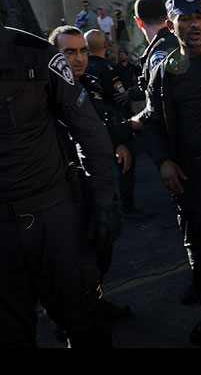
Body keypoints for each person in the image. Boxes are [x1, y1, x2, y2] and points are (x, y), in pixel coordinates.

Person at [0, 22, 118, 348]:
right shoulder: (38, 52)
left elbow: (90, 132)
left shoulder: (37, 53)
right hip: (32, 227)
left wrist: (104, 202)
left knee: (84, 323)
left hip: (53, 221)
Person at [145, 0, 201, 345]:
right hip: (187, 174)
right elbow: (152, 120)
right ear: (170, 24)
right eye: (184, 18)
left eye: (198, 17)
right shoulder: (164, 70)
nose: (193, 24)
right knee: (199, 244)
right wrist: (163, 160)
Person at [49, 25, 134, 321]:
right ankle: (73, 317)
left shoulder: (94, 84)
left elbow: (107, 120)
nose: (78, 58)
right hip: (62, 189)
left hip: (97, 184)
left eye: (83, 50)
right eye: (69, 52)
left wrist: (120, 142)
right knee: (73, 259)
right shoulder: (44, 94)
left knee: (102, 250)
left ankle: (94, 304)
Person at [84, 29, 147, 221]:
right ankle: (127, 208)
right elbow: (119, 97)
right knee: (126, 167)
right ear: (105, 45)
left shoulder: (85, 69)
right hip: (115, 124)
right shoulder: (107, 69)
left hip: (94, 126)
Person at [129, 0, 180, 132]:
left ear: (138, 22)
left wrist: (127, 126)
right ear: (166, 16)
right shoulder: (178, 41)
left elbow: (156, 108)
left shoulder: (158, 53)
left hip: (169, 136)